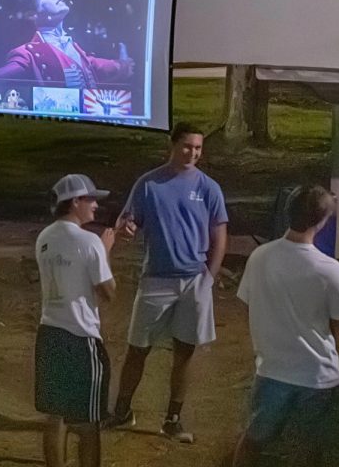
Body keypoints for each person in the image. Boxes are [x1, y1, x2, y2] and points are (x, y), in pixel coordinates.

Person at [108, 121, 228, 442]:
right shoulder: (149, 184)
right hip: (156, 279)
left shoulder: (208, 188)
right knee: (138, 348)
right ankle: (122, 410)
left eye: (199, 148)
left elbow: (219, 235)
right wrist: (126, 227)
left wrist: (209, 277)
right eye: (188, 146)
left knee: (184, 351)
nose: (193, 153)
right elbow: (127, 219)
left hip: (194, 280)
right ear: (173, 146)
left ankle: (173, 418)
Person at [231, 185, 339, 467]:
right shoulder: (328, 269)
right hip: (317, 374)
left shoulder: (260, 256)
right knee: (307, 450)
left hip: (272, 369)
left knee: (253, 440)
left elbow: (248, 304)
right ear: (322, 223)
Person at [36, 174, 118, 467]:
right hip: (81, 337)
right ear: (75, 202)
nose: (95, 206)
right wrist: (105, 251)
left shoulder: (44, 237)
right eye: (91, 199)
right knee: (88, 422)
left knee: (55, 414)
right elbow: (108, 292)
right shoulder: (90, 242)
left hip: (49, 332)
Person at [0, 0, 133, 89]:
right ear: (32, 14)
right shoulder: (28, 54)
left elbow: (99, 66)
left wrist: (124, 64)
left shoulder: (75, 48)